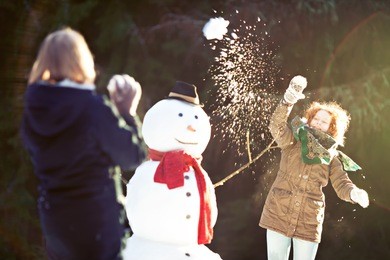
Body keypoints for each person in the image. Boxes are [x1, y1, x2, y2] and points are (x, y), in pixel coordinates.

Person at [20, 27, 146, 260]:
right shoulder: (92, 107)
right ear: (81, 60)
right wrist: (127, 113)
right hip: (95, 221)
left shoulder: (34, 109)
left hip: (54, 220)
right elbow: (133, 155)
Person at [259, 75, 369, 260]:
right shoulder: (293, 141)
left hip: (308, 221)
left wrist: (354, 193)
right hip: (279, 211)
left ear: (331, 129)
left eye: (324, 122)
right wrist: (288, 101)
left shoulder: (332, 157)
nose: (318, 123)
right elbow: (276, 127)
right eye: (316, 118)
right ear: (309, 120)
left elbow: (342, 183)